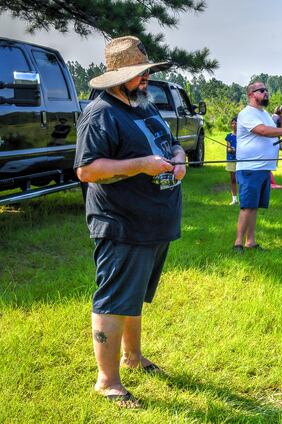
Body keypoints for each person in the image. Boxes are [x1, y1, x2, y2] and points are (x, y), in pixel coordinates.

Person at [74, 36, 186, 408]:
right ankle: (107, 382)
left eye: (146, 73)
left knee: (134, 297)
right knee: (113, 299)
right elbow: (87, 169)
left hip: (154, 220)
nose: (146, 80)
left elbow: (170, 144)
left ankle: (133, 357)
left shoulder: (144, 106)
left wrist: (179, 158)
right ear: (118, 77)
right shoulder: (100, 113)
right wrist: (140, 164)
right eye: (139, 75)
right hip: (121, 223)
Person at [233, 81, 282, 251]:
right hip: (250, 168)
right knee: (247, 206)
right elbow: (263, 131)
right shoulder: (247, 114)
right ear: (251, 94)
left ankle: (251, 242)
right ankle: (238, 243)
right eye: (261, 90)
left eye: (266, 90)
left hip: (263, 168)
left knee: (254, 206)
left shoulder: (264, 114)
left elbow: (271, 136)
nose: (266, 93)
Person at [269, 105, 282, 189]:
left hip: (270, 139)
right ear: (281, 111)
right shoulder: (279, 118)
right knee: (272, 162)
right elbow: (281, 129)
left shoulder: (272, 116)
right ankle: (270, 182)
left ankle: (270, 181)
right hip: (276, 140)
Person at [225, 116, 238, 205]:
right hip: (231, 159)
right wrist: (232, 149)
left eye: (235, 123)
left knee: (242, 180)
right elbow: (228, 149)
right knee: (233, 180)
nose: (234, 125)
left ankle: (243, 198)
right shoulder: (229, 136)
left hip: (241, 160)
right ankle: (234, 199)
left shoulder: (242, 136)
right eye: (232, 123)